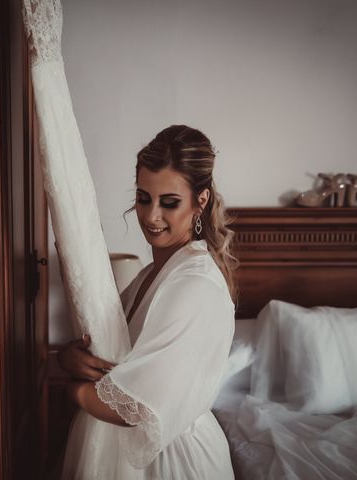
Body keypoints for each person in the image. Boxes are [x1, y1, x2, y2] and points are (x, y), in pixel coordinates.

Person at [58, 125, 237, 479]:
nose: (151, 216)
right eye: (143, 198)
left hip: (175, 462)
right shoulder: (148, 275)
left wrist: (74, 391)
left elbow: (136, 409)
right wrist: (69, 358)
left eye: (169, 203)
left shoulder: (195, 286)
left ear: (200, 201)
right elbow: (113, 359)